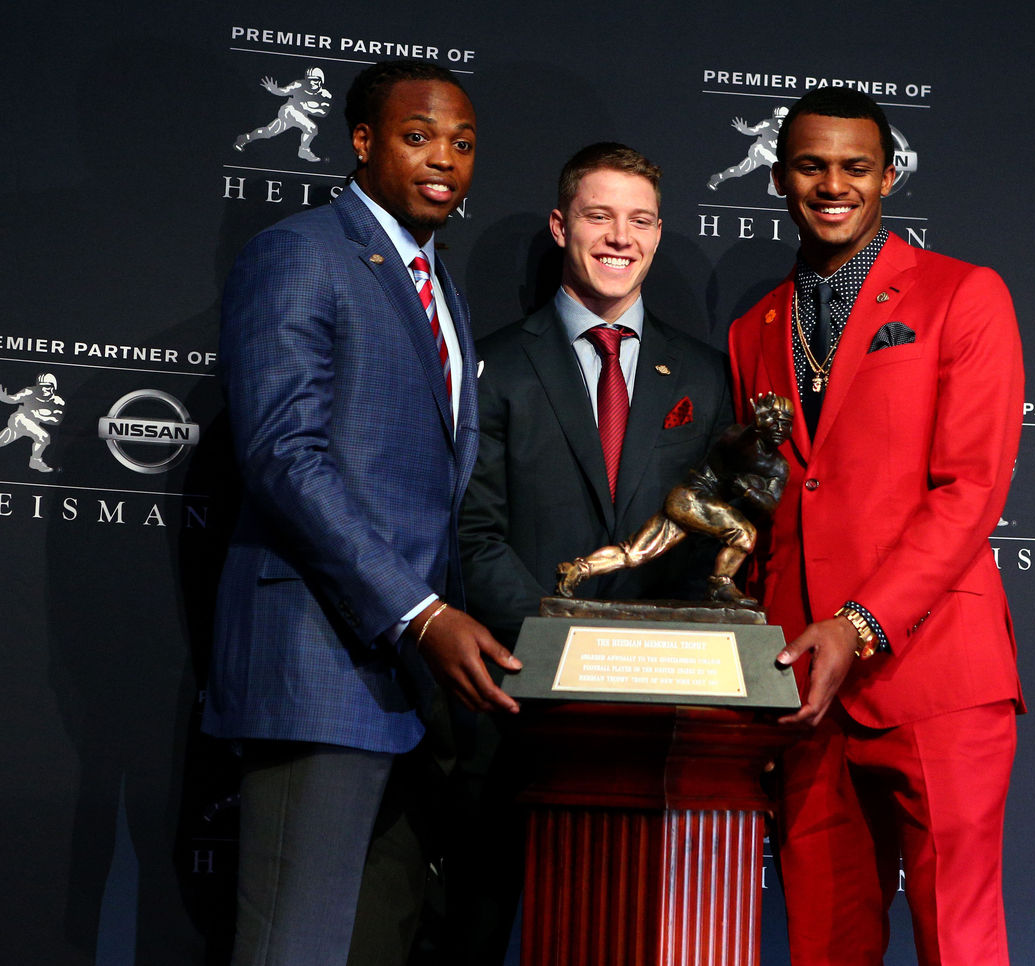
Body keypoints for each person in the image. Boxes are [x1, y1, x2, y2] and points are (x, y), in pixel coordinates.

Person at [203, 60, 520, 966]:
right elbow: (282, 455)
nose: (445, 161)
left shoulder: (436, 278)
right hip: (320, 662)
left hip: (407, 685)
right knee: (294, 947)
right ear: (363, 141)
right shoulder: (301, 252)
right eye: (419, 136)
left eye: (462, 144)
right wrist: (420, 614)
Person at [727, 88, 1025, 966]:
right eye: (811, 165)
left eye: (854, 167)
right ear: (780, 176)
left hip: (934, 669)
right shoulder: (754, 329)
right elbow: (773, 501)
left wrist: (859, 625)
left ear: (887, 175)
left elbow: (969, 490)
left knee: (957, 938)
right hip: (804, 687)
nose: (832, 184)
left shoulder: (963, 295)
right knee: (823, 939)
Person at [452, 141, 733, 963]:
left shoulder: (708, 379)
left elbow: (714, 542)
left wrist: (642, 663)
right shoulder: (494, 364)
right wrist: (561, 651)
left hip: (656, 725)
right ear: (559, 226)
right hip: (512, 704)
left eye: (640, 219)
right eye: (599, 215)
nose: (621, 236)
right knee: (470, 934)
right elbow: (472, 534)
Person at [555, 391, 793, 603]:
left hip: (693, 505)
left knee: (635, 553)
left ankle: (578, 569)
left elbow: (770, 504)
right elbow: (739, 445)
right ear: (764, 421)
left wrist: (748, 491)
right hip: (690, 497)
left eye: (787, 425)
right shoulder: (740, 437)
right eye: (777, 422)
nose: (782, 430)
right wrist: (755, 428)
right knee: (745, 534)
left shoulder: (778, 467)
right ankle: (719, 585)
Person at [233, 67, 332, 162]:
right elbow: (284, 91)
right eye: (309, 80)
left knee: (268, 132)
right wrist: (274, 90)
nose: (311, 83)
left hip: (300, 115)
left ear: (321, 80)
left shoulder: (325, 95)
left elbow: (323, 112)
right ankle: (304, 151)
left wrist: (307, 107)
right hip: (289, 111)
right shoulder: (299, 85)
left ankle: (245, 138)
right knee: (311, 127)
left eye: (314, 80)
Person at [0, 371, 64, 472]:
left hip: (32, 423)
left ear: (53, 387)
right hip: (20, 419)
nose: (43, 389)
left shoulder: (58, 402)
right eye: (41, 386)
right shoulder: (29, 392)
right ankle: (35, 461)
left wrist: (39, 415)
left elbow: (57, 420)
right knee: (43, 437)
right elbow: (13, 398)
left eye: (47, 386)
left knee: (4, 439)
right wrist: (4, 397)